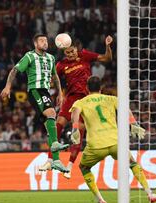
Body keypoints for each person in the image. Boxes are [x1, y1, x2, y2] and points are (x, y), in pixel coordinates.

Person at [69, 76, 156, 203]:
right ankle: (150, 194)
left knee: (84, 167)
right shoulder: (112, 99)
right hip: (115, 143)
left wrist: (75, 129)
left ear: (87, 88)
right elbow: (126, 109)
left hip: (96, 146)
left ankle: (100, 200)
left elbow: (75, 114)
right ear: (101, 88)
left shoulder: (81, 102)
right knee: (133, 163)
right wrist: (133, 123)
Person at [39, 35, 114, 179]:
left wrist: (107, 46)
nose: (71, 54)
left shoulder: (85, 55)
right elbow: (52, 80)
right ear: (64, 53)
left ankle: (69, 166)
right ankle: (50, 159)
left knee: (78, 133)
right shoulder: (61, 65)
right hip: (71, 98)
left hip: (87, 100)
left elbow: (106, 58)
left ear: (76, 49)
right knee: (57, 125)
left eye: (72, 51)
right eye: (68, 53)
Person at [1, 34, 69, 172]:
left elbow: (55, 76)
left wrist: (60, 94)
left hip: (46, 91)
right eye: (41, 41)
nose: (45, 43)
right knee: (51, 113)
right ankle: (55, 145)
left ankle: (55, 160)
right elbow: (15, 70)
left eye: (46, 41)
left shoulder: (51, 58)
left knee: (50, 126)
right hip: (35, 90)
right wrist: (8, 86)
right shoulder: (29, 56)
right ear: (35, 44)